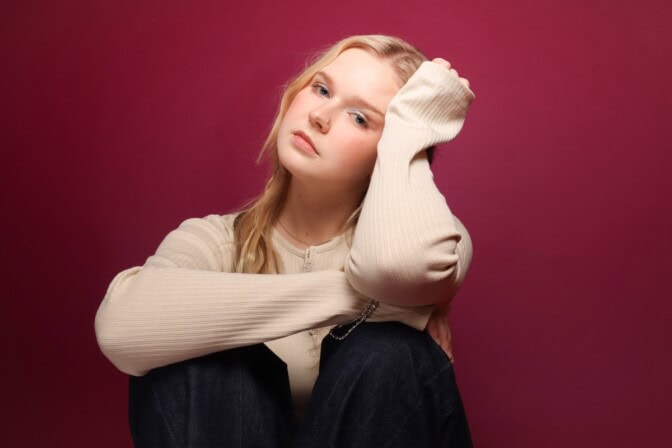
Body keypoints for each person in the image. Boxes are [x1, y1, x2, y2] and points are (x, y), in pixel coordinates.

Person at [95, 34, 476, 447]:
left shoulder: (435, 242)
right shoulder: (216, 240)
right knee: (194, 354)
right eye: (322, 89)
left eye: (359, 118)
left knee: (389, 354)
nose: (319, 116)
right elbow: (119, 329)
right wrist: (366, 299)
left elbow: (394, 267)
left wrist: (412, 131)